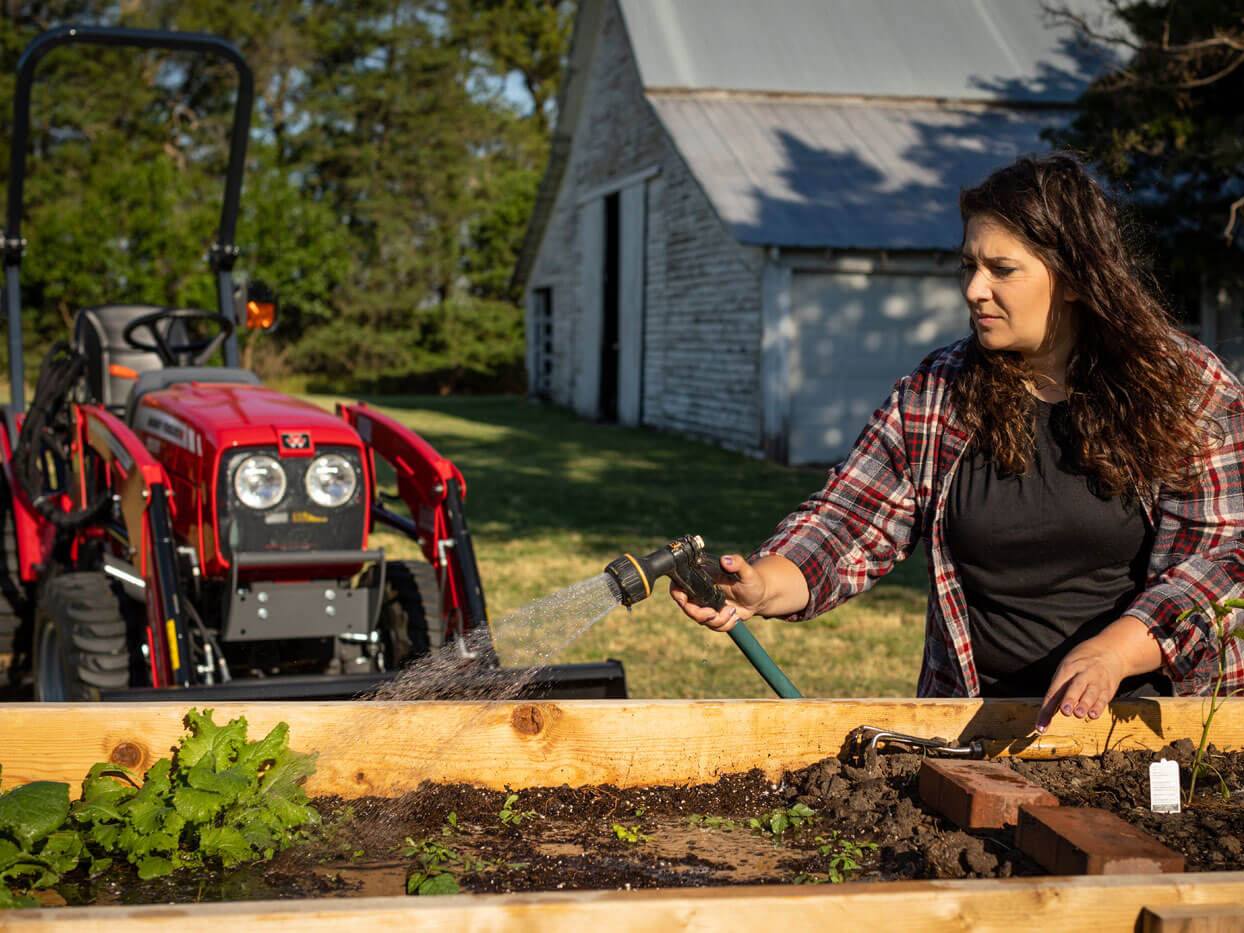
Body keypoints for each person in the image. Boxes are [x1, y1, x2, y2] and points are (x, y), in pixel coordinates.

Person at [671, 153, 1244, 733]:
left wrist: (1114, 653)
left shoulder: (1183, 390)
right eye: (968, 265)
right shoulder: (939, 393)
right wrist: (764, 585)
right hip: (974, 719)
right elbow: (850, 520)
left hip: (1149, 720)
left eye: (1002, 269)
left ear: (1073, 277)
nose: (974, 289)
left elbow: (1222, 564)